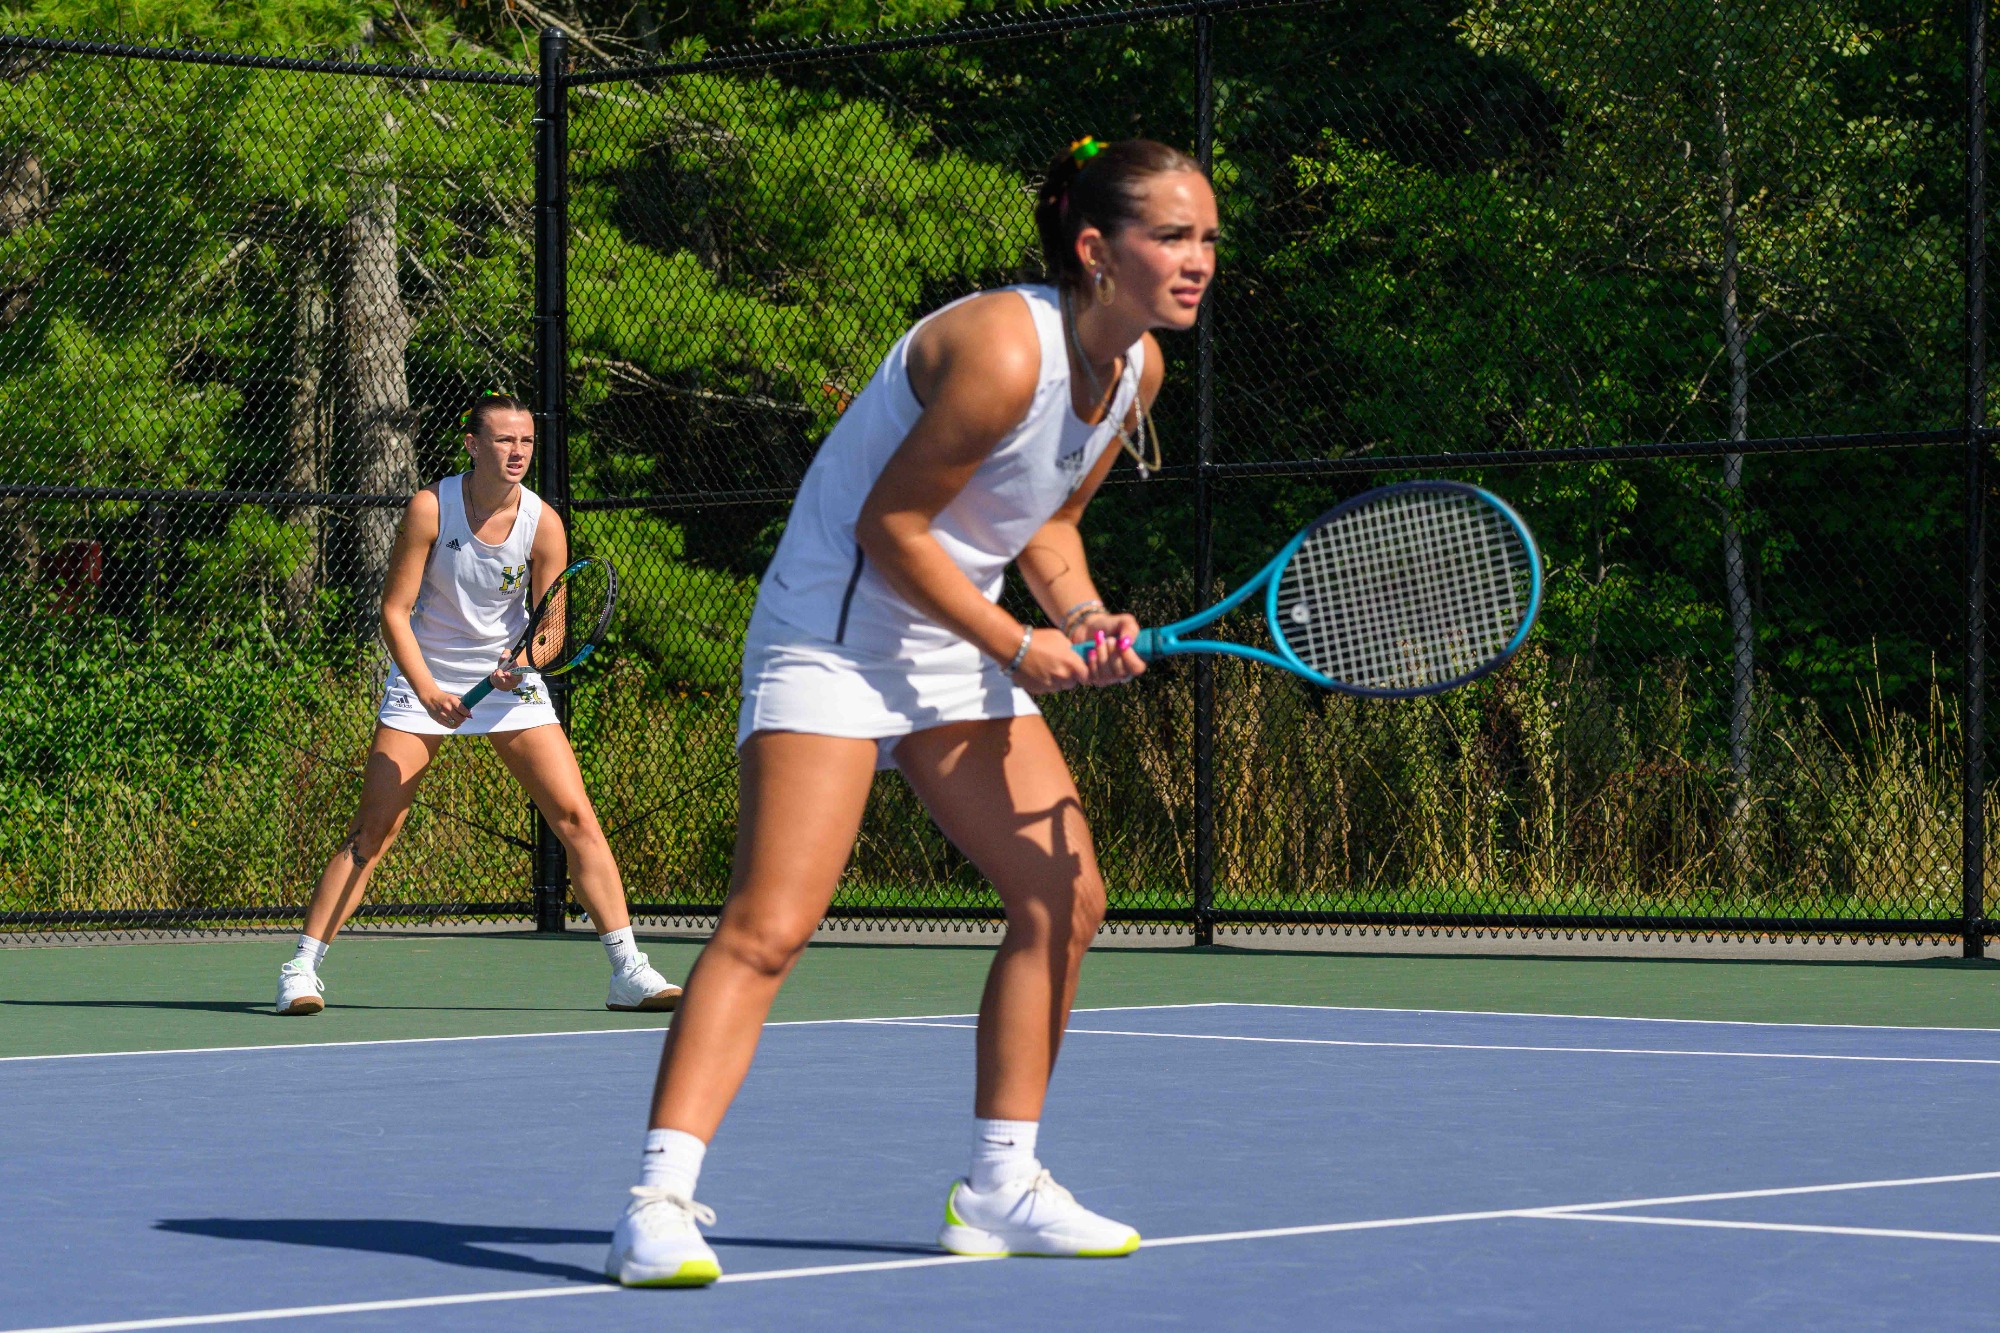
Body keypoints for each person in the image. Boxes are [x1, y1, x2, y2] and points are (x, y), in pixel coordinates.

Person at [604, 136, 1217, 1287]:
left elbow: (1044, 525)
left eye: (1206, 239)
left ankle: (999, 1184)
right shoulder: (997, 346)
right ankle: (656, 1204)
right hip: (831, 638)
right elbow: (890, 531)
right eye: (1171, 237)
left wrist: (1078, 619)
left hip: (950, 642)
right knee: (770, 923)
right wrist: (1018, 644)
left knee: (1063, 895)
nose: (1198, 261)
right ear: (1096, 250)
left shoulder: (1136, 371)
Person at [273, 394, 681, 1018]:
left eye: (525, 442)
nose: (516, 452)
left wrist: (525, 663)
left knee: (576, 818)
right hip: (423, 679)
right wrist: (429, 690)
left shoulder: (543, 523)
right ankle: (300, 969)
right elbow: (393, 612)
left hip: (509, 686)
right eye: (502, 440)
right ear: (471, 444)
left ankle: (629, 969)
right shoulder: (430, 508)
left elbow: (549, 629)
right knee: (372, 832)